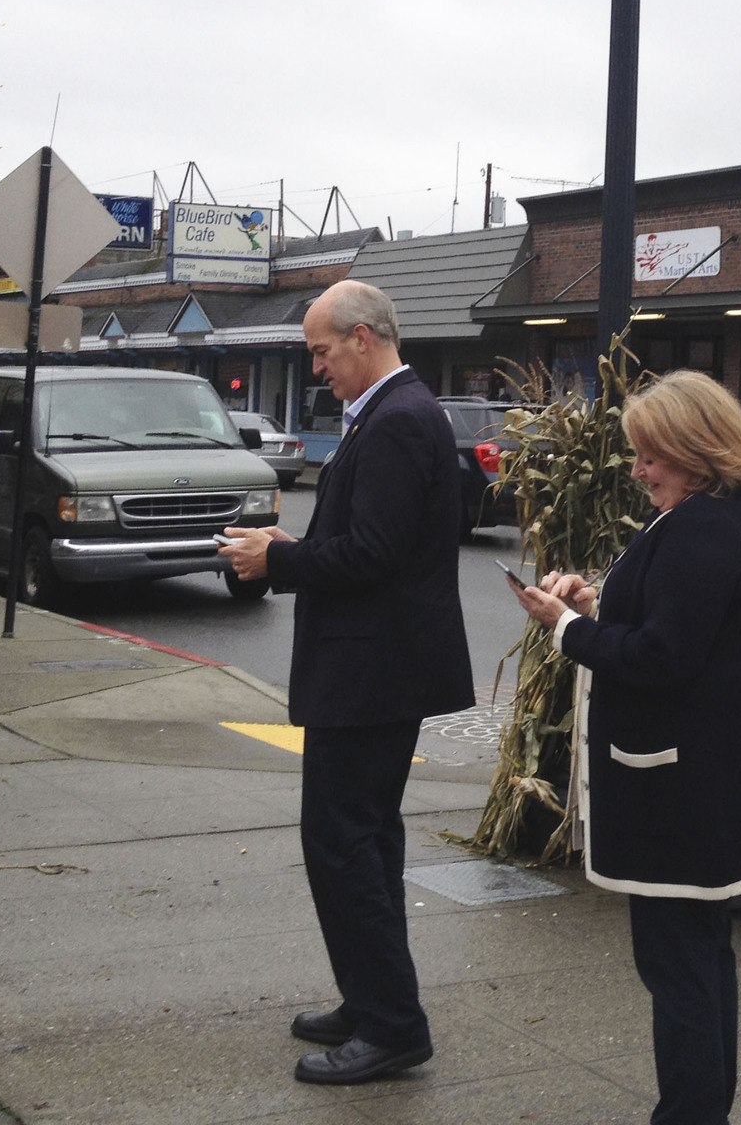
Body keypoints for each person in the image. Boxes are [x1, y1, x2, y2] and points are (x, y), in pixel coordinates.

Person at [512, 369, 741, 1125]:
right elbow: (688, 621)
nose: (638, 469)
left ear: (696, 449)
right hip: (712, 788)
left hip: (684, 795)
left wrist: (566, 626)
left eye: (651, 455)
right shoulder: (729, 512)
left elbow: (660, 658)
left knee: (678, 969)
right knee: (702, 958)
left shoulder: (704, 527)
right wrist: (598, 599)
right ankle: (704, 1108)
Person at [220, 280, 473, 1086]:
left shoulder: (399, 421)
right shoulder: (396, 414)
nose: (317, 369)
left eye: (322, 352)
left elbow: (373, 555)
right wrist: (292, 542)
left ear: (364, 338)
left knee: (345, 847)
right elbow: (373, 542)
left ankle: (393, 1025)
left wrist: (279, 559)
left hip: (373, 675)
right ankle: (372, 1001)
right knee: (365, 843)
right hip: (376, 671)